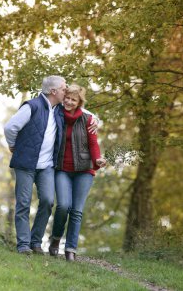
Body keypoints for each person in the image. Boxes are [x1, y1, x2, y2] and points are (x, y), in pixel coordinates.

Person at [4, 76, 98, 254]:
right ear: (54, 91)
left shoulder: (58, 110)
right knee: (23, 203)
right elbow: (10, 128)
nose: (66, 90)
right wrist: (13, 145)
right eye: (64, 88)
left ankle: (35, 241)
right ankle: (24, 245)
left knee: (47, 201)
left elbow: (83, 112)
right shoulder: (31, 106)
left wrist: (96, 120)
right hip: (25, 164)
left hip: (46, 166)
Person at [49, 84, 106, 261]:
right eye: (67, 98)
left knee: (77, 210)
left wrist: (97, 160)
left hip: (84, 169)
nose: (69, 102)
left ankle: (71, 250)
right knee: (63, 205)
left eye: (74, 100)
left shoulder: (88, 119)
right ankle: (55, 240)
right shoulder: (56, 113)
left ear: (79, 102)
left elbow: (93, 143)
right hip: (62, 169)